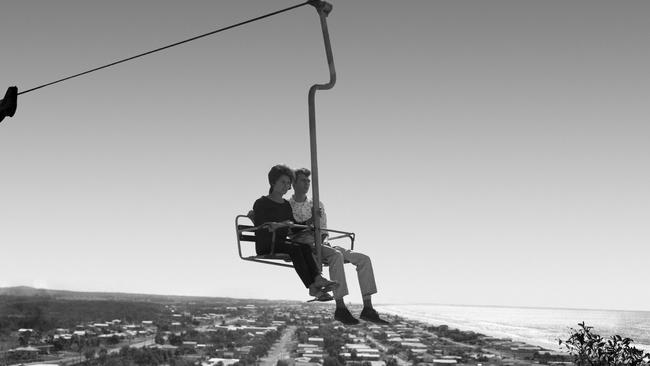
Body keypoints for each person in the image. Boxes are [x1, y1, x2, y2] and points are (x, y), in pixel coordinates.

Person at [289, 168, 389, 325]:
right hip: (305, 244)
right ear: (293, 183)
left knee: (363, 259)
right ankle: (340, 307)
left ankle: (368, 307)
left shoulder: (315, 204)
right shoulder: (288, 206)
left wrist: (321, 239)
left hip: (322, 243)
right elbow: (291, 231)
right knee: (336, 256)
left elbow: (323, 229)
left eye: (309, 181)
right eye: (303, 180)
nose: (307, 183)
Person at [251, 164, 338, 301]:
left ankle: (317, 279)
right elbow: (262, 226)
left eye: (288, 183)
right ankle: (312, 287)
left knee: (303, 247)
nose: (286, 186)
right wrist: (281, 225)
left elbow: (294, 227)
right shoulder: (261, 203)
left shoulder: (285, 205)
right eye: (283, 182)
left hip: (281, 242)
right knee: (296, 249)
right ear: (273, 182)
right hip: (267, 244)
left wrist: (311, 220)